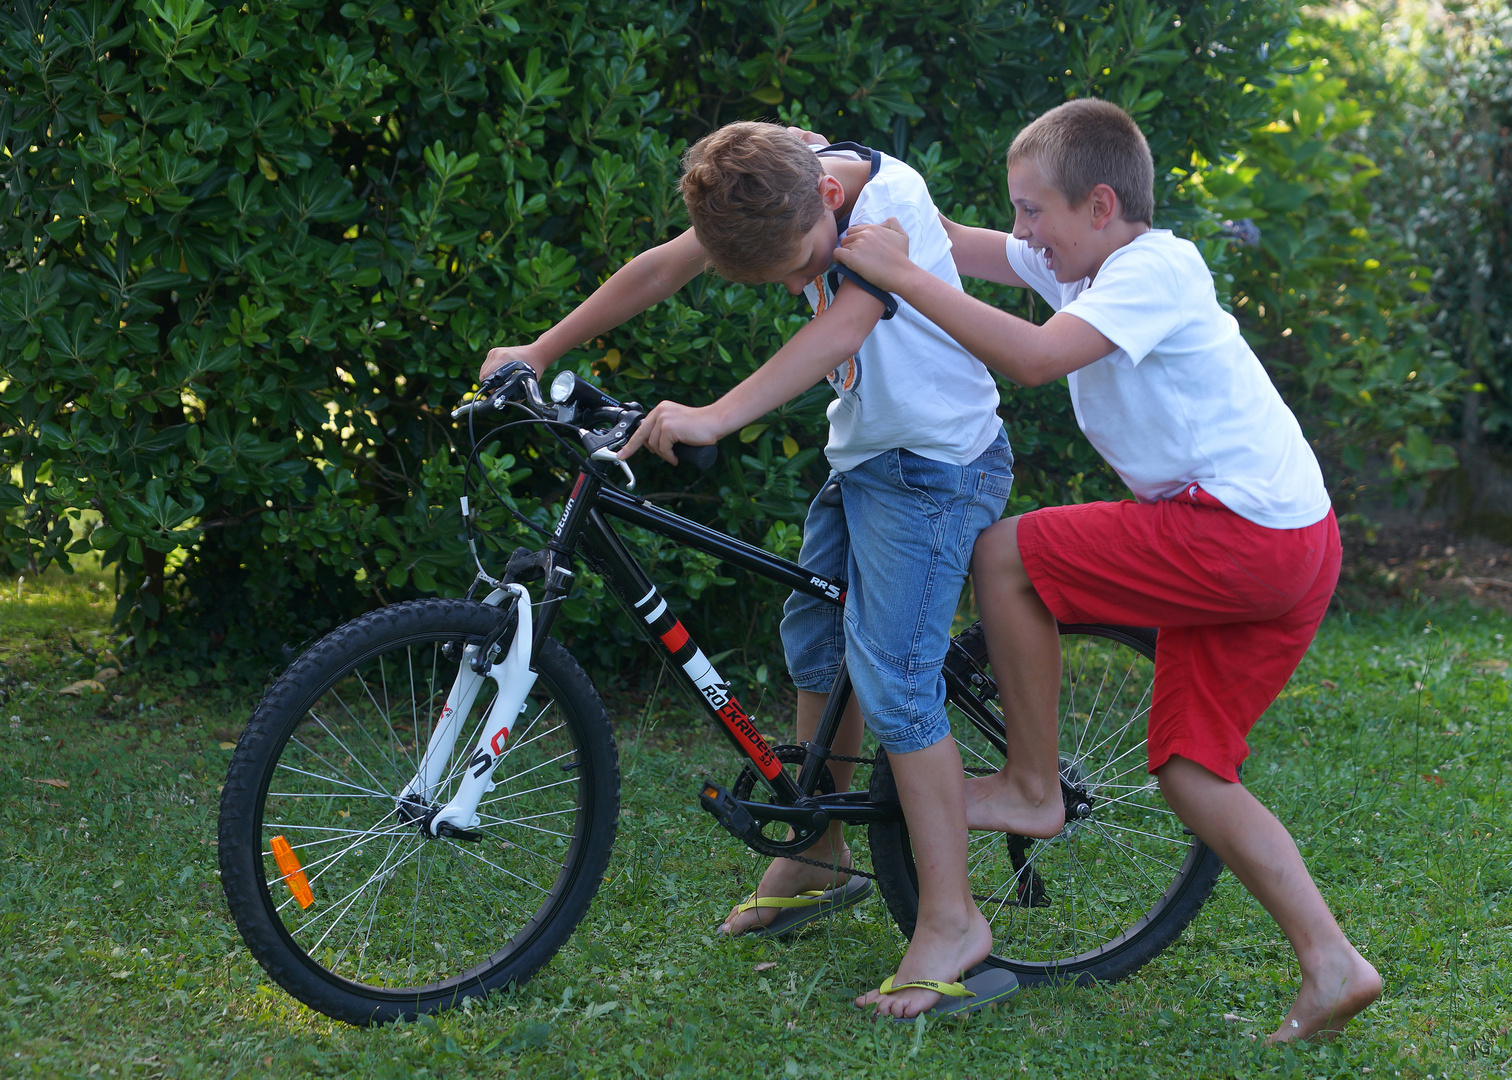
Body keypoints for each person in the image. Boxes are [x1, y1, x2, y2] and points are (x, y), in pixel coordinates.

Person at [833, 98, 1382, 1042]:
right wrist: (863, 202)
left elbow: (1038, 361)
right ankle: (1333, 963)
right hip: (1291, 539)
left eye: (1033, 211)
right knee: (1190, 769)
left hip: (1241, 529)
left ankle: (1032, 785)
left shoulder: (1153, 267)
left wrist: (899, 279)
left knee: (1007, 554)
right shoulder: (1079, 261)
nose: (1021, 234)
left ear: (1098, 205)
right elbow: (957, 244)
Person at [479, 121, 1017, 1019]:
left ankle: (953, 920)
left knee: (893, 685)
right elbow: (662, 265)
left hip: (937, 469)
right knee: (814, 638)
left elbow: (842, 323)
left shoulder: (878, 209)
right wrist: (541, 348)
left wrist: (717, 415)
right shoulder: (769, 182)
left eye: (801, 264)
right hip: (870, 458)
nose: (801, 281)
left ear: (830, 205)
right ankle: (817, 851)